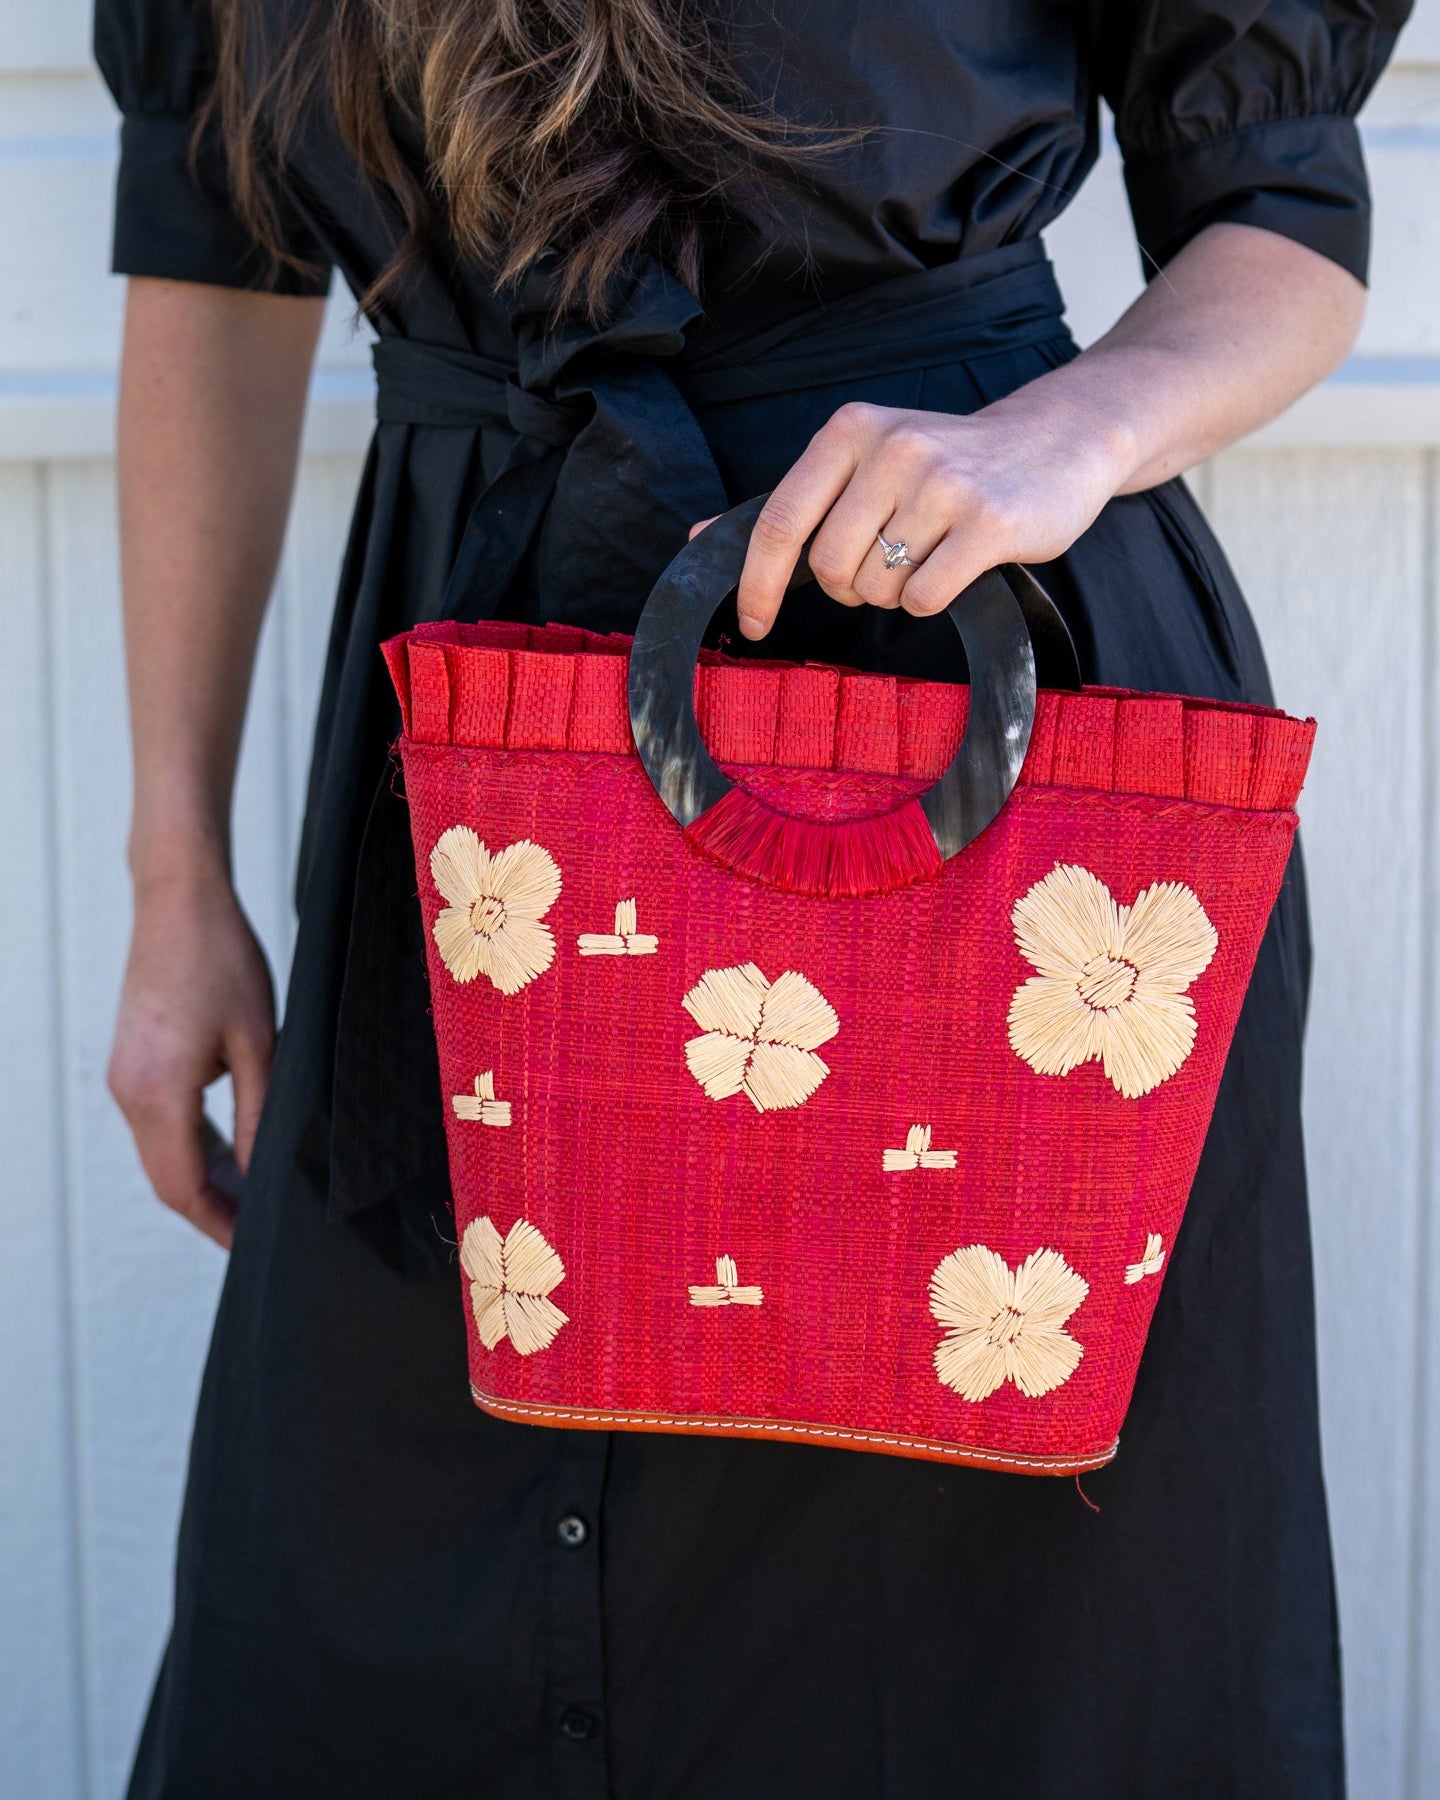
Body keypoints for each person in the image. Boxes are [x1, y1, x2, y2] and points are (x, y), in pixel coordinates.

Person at [95, 0, 1410, 1793]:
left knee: (1015, 1627)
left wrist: (1073, 432)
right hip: (479, 793)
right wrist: (178, 873)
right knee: (374, 1580)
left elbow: (1284, 224)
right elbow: (212, 266)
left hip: (984, 755)